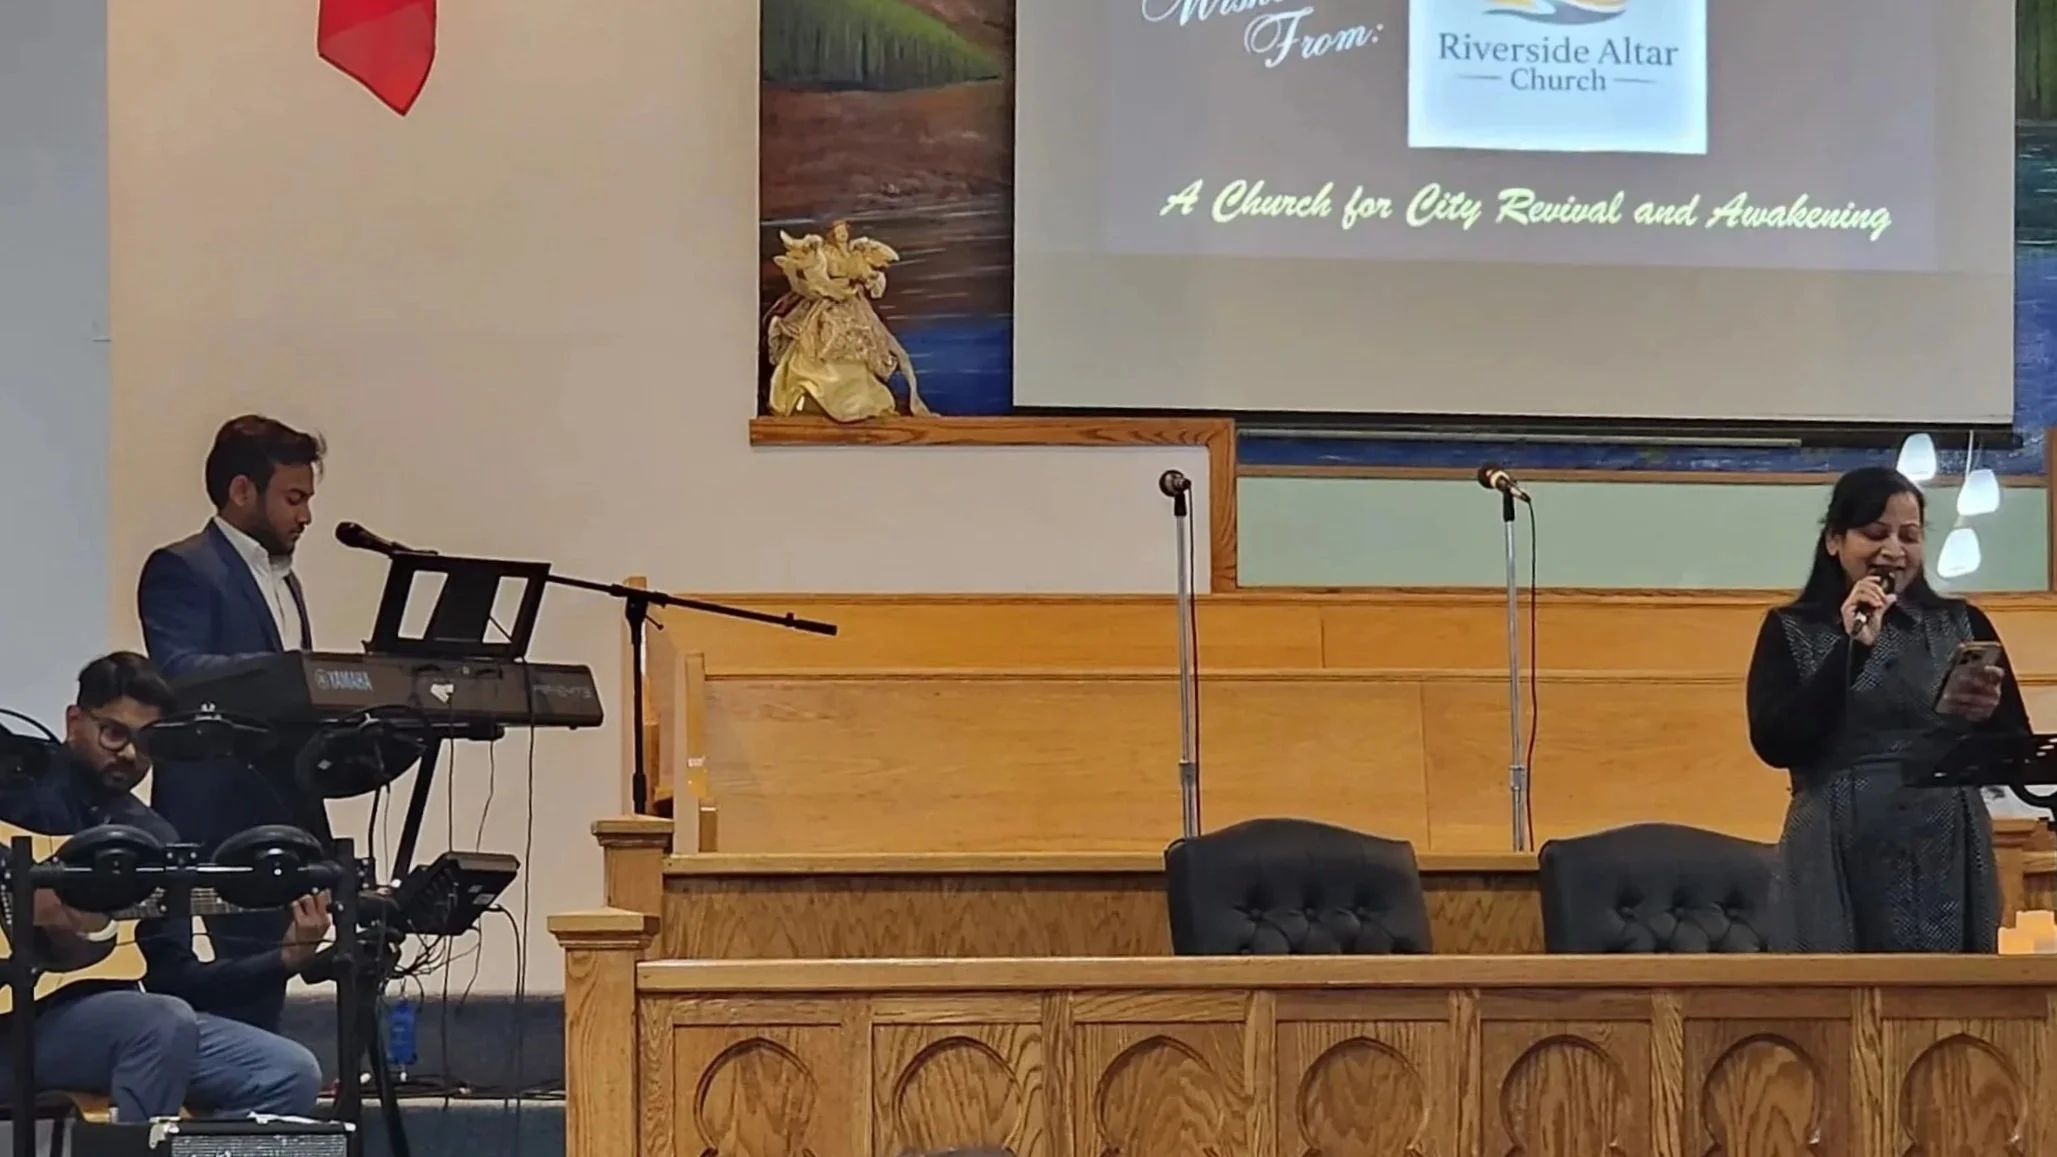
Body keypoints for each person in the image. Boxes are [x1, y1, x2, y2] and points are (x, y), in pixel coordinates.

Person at [0, 653, 325, 1121]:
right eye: (114, 733)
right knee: (157, 1022)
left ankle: (161, 1148)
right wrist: (24, 895)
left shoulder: (152, 839)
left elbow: (174, 978)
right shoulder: (15, 781)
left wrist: (282, 960)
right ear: (74, 721)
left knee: (288, 1072)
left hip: (108, 1019)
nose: (130, 755)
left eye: (146, 742)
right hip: (13, 1023)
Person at [1746, 466, 2030, 953]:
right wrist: (1853, 646)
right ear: (1834, 541)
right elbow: (1776, 742)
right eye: (1875, 534)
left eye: (1910, 536)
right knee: (1837, 987)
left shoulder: (1962, 622)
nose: (1894, 551)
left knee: (1949, 989)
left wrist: (1986, 717)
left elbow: (2016, 753)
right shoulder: (1791, 628)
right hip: (1836, 838)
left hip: (1947, 840)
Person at [136, 414, 331, 1030]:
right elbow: (180, 671)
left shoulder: (287, 581)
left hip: (284, 810)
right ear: (243, 490)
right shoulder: (183, 568)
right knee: (233, 990)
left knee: (272, 982)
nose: (306, 516)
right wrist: (293, 673)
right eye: (293, 499)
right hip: (217, 813)